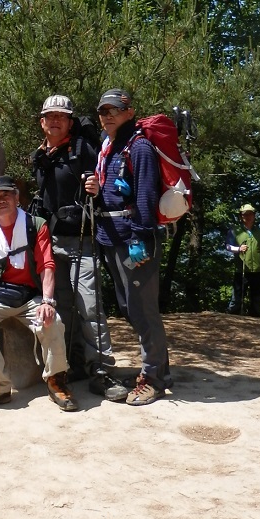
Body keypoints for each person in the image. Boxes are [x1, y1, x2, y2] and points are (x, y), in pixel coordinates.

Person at [30, 94, 127, 402]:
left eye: (62, 116)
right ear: (42, 122)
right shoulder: (41, 156)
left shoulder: (84, 149)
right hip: (53, 241)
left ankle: (100, 370)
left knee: (90, 306)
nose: (56, 120)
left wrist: (97, 190)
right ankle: (69, 364)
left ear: (70, 121)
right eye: (50, 116)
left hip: (83, 240)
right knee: (62, 307)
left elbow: (105, 186)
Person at [85, 88, 171, 406]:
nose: (107, 115)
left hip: (133, 239)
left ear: (129, 113)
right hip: (111, 237)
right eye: (103, 111)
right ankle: (157, 369)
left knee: (143, 310)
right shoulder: (109, 146)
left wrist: (140, 238)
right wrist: (95, 188)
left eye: (114, 110)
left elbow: (146, 197)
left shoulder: (140, 147)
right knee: (130, 308)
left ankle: (154, 380)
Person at [0, 175, 77, 413]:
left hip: (30, 297)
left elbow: (46, 265)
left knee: (52, 322)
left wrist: (47, 301)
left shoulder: (35, 225)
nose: (1, 200)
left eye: (5, 194)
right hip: (0, 297)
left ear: (16, 196)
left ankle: (56, 381)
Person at [226, 204, 260, 317]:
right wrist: (238, 249)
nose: (247, 216)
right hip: (241, 269)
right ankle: (232, 317)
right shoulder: (234, 231)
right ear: (240, 217)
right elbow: (227, 246)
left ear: (254, 215)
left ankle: (255, 321)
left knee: (257, 298)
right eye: (244, 214)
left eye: (250, 214)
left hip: (259, 269)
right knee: (237, 296)